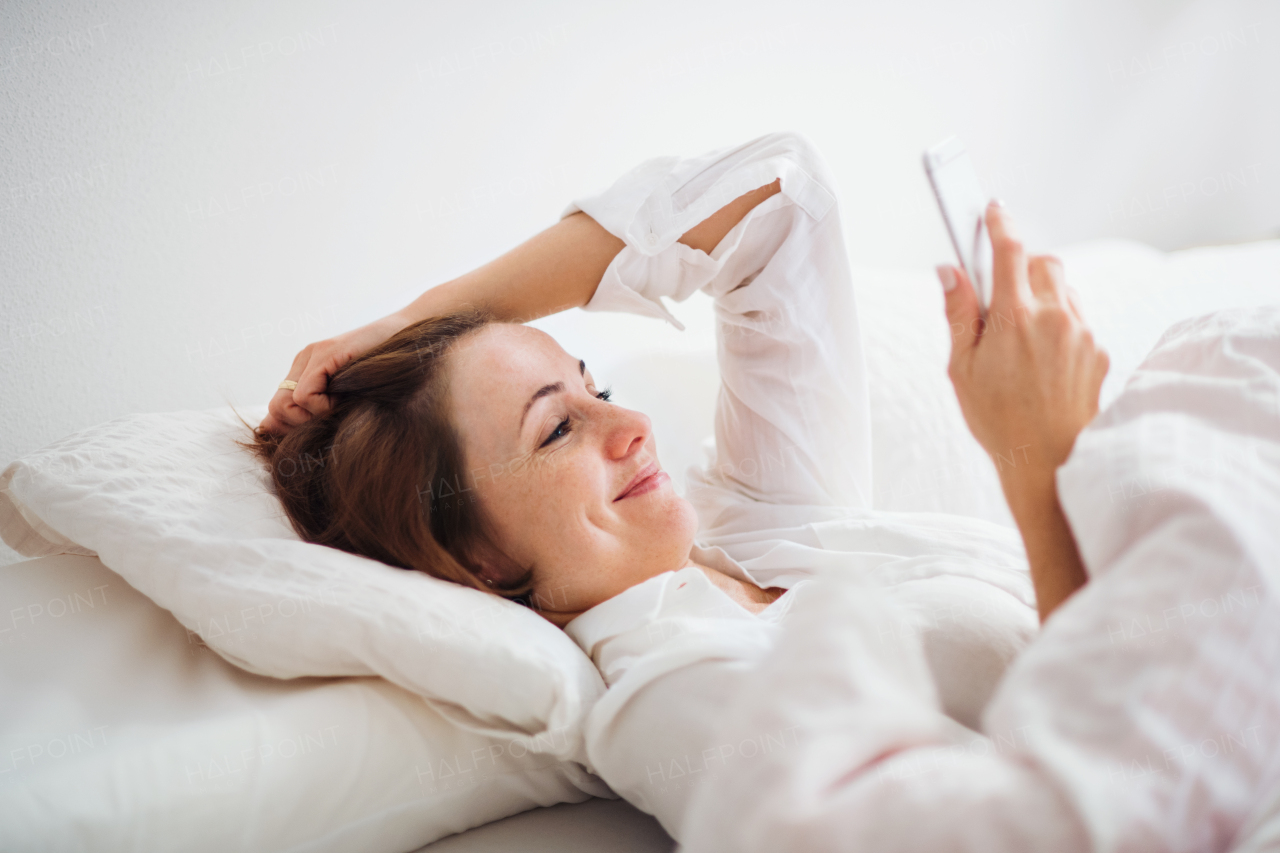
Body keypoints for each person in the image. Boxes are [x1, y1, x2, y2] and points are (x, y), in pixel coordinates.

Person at [252, 132, 1106, 837]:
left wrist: (424, 316)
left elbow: (779, 201)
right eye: (555, 430)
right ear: (474, 556)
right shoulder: (673, 691)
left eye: (599, 391)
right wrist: (1048, 465)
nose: (632, 428)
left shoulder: (765, 529)